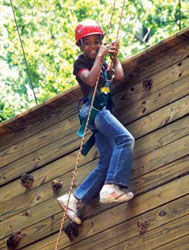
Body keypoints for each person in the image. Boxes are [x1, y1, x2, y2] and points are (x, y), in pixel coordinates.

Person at [57, 20, 135, 225]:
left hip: (102, 111)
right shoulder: (81, 63)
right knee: (125, 140)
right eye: (87, 43)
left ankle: (73, 198)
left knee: (107, 159)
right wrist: (100, 56)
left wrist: (114, 57)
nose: (92, 46)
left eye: (96, 42)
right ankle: (111, 186)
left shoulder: (101, 65)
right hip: (95, 111)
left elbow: (118, 76)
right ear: (80, 46)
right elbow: (90, 81)